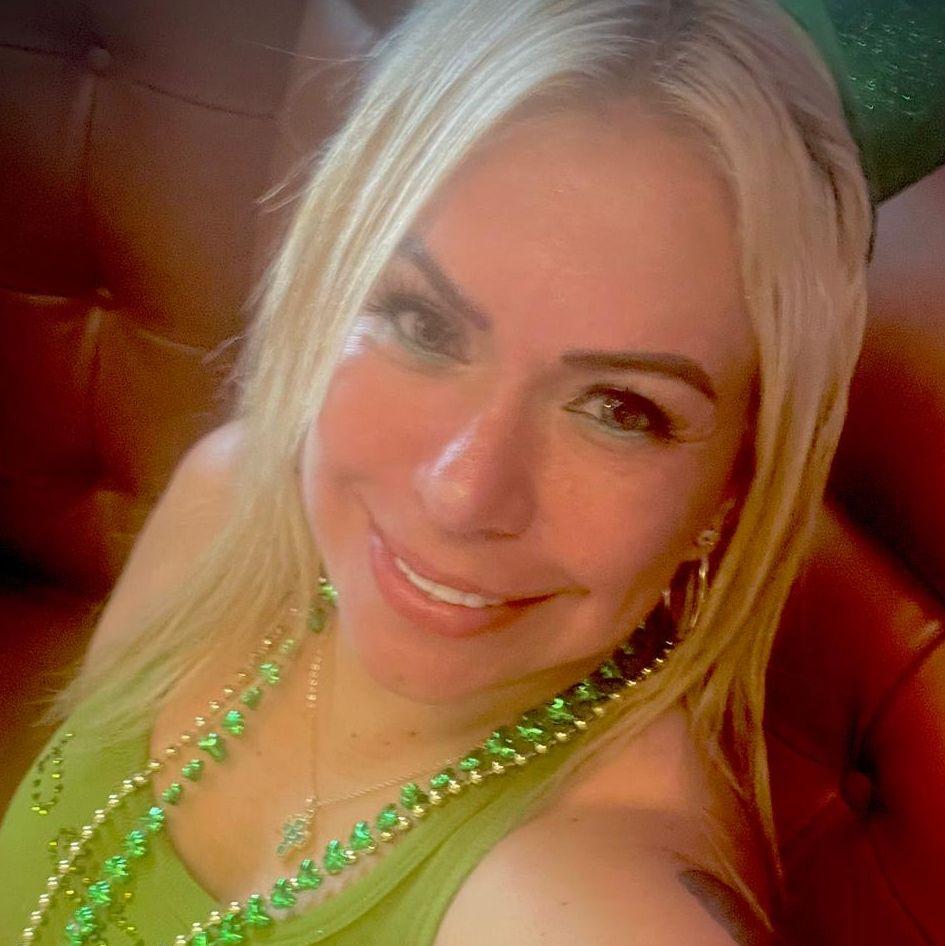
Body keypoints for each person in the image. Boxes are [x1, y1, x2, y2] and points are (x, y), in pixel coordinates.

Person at [0, 1, 940, 944]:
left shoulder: (595, 917)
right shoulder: (226, 500)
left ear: (731, 491)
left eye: (619, 409)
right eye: (421, 323)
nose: (463, 494)